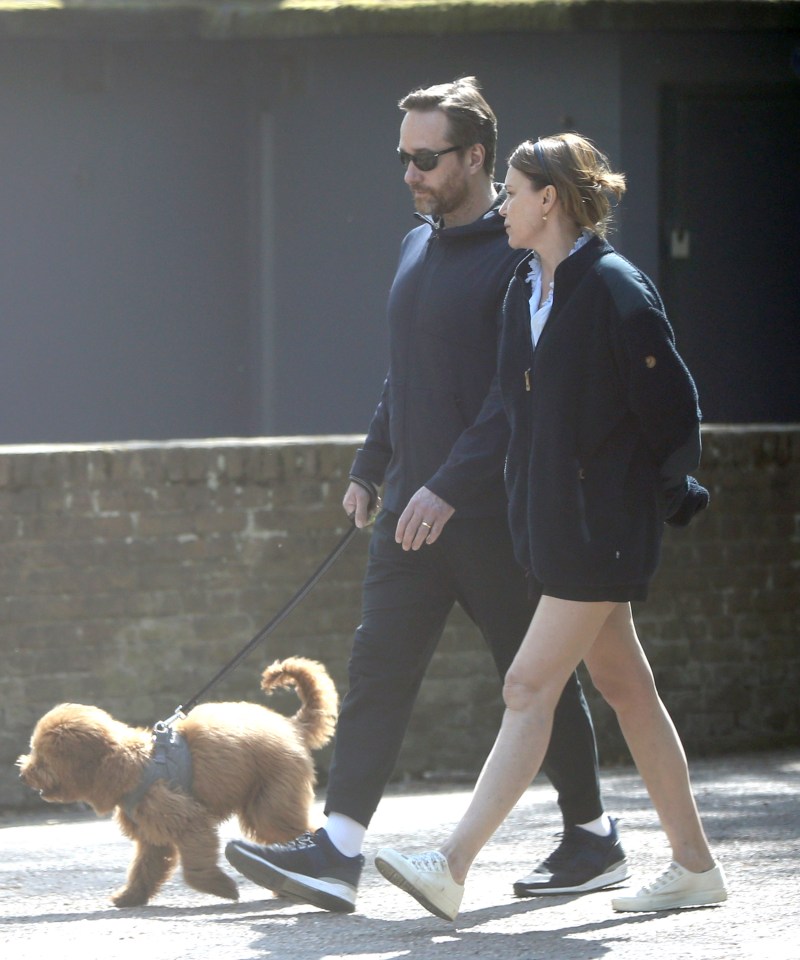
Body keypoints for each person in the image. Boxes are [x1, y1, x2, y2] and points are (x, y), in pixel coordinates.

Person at [225, 82, 624, 914]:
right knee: (377, 671)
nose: (409, 173)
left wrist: (449, 484)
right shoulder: (416, 247)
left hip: (496, 516)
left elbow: (513, 397)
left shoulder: (521, 257)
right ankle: (338, 848)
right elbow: (404, 377)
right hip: (411, 512)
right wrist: (372, 465)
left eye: (425, 158)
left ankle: (591, 834)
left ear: (476, 157)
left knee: (535, 679)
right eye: (403, 156)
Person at [374, 133, 729, 922]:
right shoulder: (524, 291)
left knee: (527, 683)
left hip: (602, 527)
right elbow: (519, 412)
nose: (500, 206)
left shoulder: (613, 287)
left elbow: (671, 401)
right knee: (626, 688)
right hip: (554, 526)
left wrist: (675, 488)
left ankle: (451, 863)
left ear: (550, 200)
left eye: (513, 192)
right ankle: (695, 866)